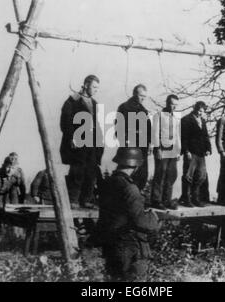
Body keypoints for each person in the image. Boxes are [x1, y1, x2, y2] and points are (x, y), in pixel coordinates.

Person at [98, 147, 160, 281]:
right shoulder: (130, 188)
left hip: (110, 244)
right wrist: (153, 218)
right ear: (136, 167)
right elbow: (140, 222)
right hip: (129, 247)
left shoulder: (107, 183)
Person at [60, 75, 104, 209]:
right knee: (77, 171)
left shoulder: (95, 103)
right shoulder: (72, 101)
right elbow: (65, 122)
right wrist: (72, 136)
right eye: (94, 87)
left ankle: (86, 199)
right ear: (85, 85)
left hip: (92, 142)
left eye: (98, 87)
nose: (96, 90)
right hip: (78, 141)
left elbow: (97, 124)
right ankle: (73, 199)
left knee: (91, 171)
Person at [116, 84, 152, 191]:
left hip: (143, 146)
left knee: (142, 173)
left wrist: (149, 143)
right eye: (141, 95)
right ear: (134, 94)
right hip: (130, 146)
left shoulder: (143, 110)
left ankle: (137, 198)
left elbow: (148, 128)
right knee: (126, 173)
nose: (143, 98)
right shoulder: (124, 107)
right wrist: (125, 140)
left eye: (144, 97)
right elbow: (119, 126)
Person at [150, 95, 181, 210]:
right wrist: (157, 148)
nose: (174, 107)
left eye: (176, 105)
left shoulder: (176, 117)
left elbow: (177, 135)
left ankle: (167, 200)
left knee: (171, 174)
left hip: (173, 150)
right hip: (162, 148)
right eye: (172, 104)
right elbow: (155, 133)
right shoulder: (159, 115)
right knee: (160, 173)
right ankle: (156, 200)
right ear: (167, 103)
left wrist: (178, 150)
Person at [179, 101, 212, 207]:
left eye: (202, 111)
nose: (200, 113)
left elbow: (206, 136)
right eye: (198, 110)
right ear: (194, 108)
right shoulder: (186, 120)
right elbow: (183, 137)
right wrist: (186, 151)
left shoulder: (202, 120)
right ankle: (186, 198)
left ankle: (195, 198)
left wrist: (208, 148)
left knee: (201, 176)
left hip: (201, 152)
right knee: (188, 176)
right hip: (191, 152)